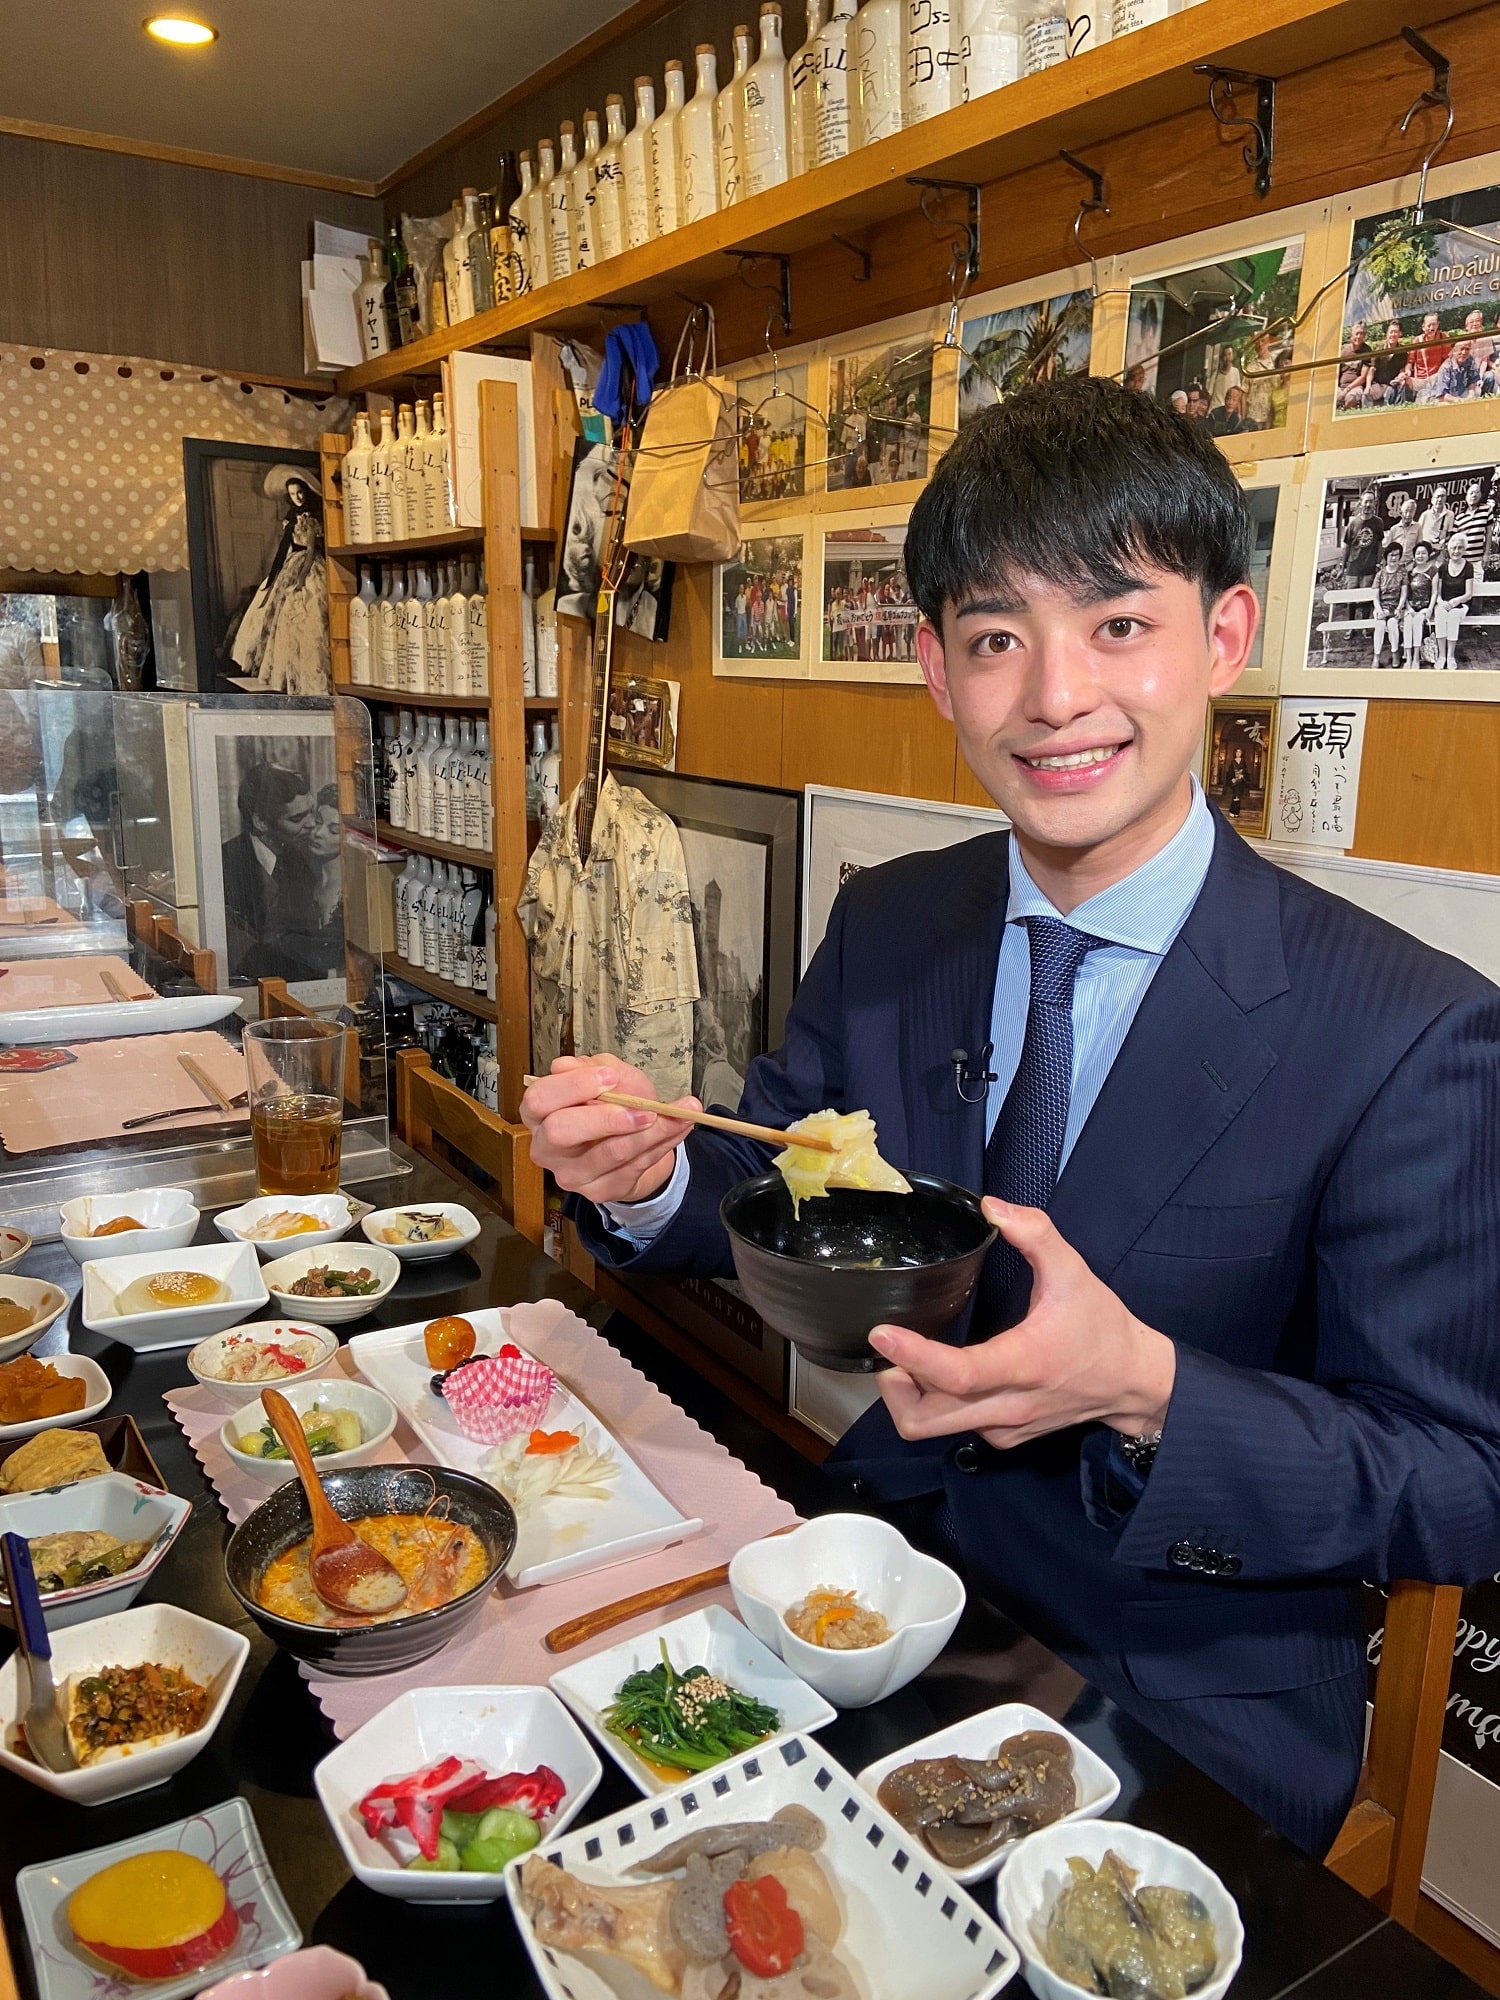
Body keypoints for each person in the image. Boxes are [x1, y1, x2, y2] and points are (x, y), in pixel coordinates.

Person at [522, 376, 1500, 1861]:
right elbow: (770, 1200)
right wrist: (647, 1179)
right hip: (878, 1583)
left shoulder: (1410, 1028)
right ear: (935, 668)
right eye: (995, 637)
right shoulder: (893, 924)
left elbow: (1462, 1481)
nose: (1053, 697)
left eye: (1119, 623)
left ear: (1223, 636)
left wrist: (1150, 1388)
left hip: (1182, 1691)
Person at [229, 469, 330, 696]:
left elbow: (311, 551)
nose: (298, 497)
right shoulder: (291, 519)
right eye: (293, 494)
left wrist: (301, 578)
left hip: (308, 564)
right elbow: (287, 548)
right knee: (272, 608)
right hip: (291, 561)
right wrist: (282, 572)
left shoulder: (310, 520)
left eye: (300, 492)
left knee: (308, 612)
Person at [220, 760, 317, 983]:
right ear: (261, 822)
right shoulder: (226, 864)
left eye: (311, 812)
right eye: (297, 818)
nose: (312, 824)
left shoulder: (304, 861)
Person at [1434, 530, 1473, 670]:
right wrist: (1440, 602)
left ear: (1464, 549)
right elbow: (1437, 593)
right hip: (1445, 603)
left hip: (1461, 604)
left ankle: (1450, 656)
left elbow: (1468, 594)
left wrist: (1455, 602)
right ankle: (1442, 656)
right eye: (1453, 548)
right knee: (1440, 614)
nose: (1456, 551)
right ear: (1448, 549)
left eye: (1460, 548)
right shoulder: (1443, 567)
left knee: (1453, 616)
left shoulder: (1468, 566)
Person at [1371, 542, 1407, 667]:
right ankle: (1376, 657)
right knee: (1380, 625)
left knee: (1392, 624)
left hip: (1396, 608)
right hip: (1381, 607)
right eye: (1391, 555)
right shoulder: (1380, 574)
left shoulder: (1403, 573)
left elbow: (1404, 594)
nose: (1394, 558)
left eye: (1397, 555)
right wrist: (1379, 610)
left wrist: (1399, 608)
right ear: (1386, 556)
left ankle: (1395, 653)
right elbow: (1375, 597)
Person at [1403, 540, 1437, 667]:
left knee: (1417, 622)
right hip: (1411, 607)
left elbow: (1434, 592)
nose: (1420, 556)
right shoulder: (1410, 573)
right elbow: (1405, 594)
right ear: (1414, 556)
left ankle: (1416, 658)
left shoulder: (1433, 570)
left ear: (1428, 555)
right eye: (1418, 553)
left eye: (1423, 553)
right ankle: (1408, 658)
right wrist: (1409, 608)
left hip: (1425, 608)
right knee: (1407, 623)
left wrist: (1430, 608)